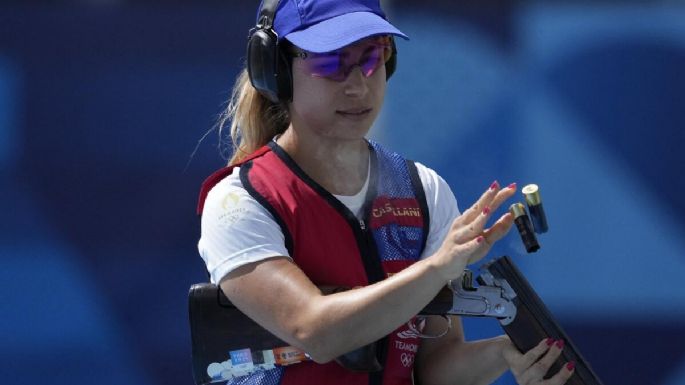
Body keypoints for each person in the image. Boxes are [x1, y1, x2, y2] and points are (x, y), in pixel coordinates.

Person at [197, 0, 576, 384]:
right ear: (276, 71)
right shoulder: (240, 200)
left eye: (372, 58)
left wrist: (507, 354)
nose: (358, 85)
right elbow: (314, 331)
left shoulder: (423, 190)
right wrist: (438, 267)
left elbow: (434, 368)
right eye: (330, 63)